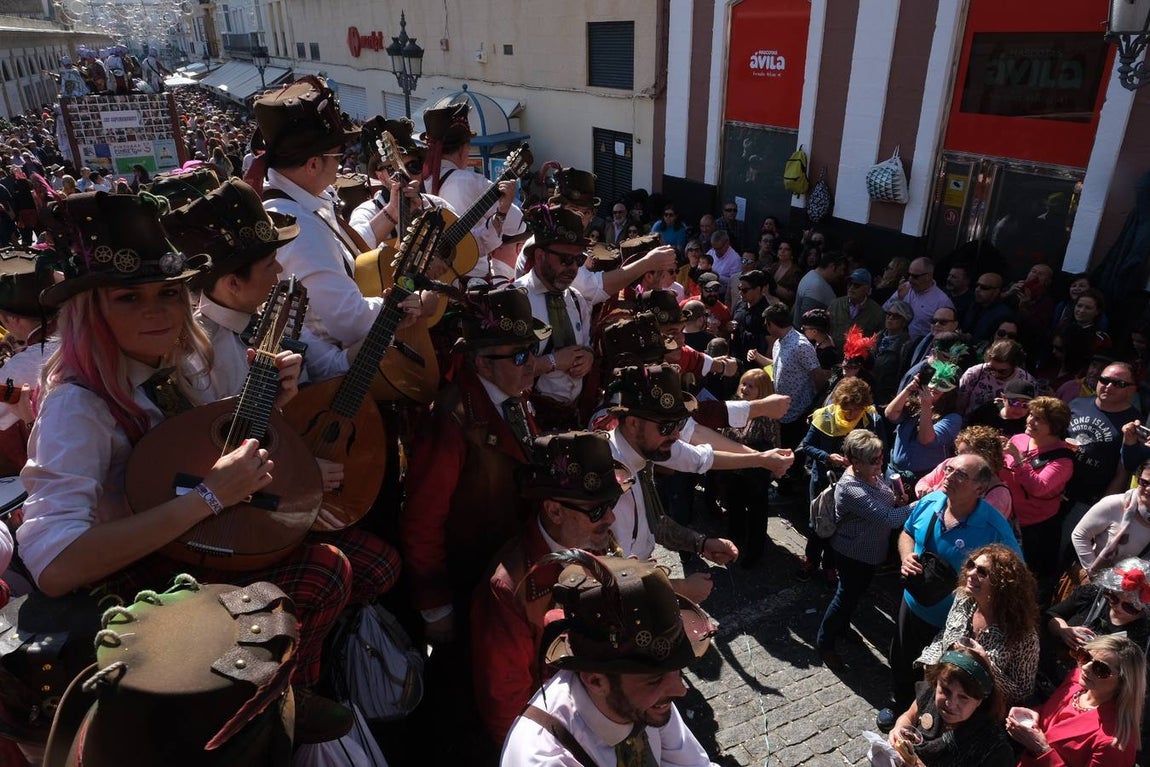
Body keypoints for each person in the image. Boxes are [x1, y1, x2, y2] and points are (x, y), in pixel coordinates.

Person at [17, 192, 387, 743]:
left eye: (169, 293)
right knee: (327, 571)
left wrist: (270, 411)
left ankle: (283, 679)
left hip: (202, 537)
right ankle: (275, 706)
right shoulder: (79, 404)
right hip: (138, 577)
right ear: (92, 309)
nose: (157, 311)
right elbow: (54, 563)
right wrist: (208, 499)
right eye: (128, 297)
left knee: (368, 560)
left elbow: (191, 457)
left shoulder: (179, 362)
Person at [402, 286, 551, 646]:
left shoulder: (512, 393)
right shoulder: (451, 421)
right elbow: (421, 521)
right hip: (472, 581)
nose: (531, 363)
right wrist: (436, 607)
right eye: (518, 356)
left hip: (510, 570)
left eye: (532, 350)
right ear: (482, 362)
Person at [471, 430, 629, 745]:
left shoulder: (591, 539)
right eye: (597, 509)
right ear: (554, 510)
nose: (611, 517)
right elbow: (509, 711)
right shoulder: (509, 590)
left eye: (612, 502)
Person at [501, 553, 718, 766]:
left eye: (677, 671)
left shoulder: (643, 700)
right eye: (654, 679)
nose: (680, 690)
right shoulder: (541, 758)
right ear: (596, 681)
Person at [604, 363, 794, 602]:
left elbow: (654, 522)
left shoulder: (651, 444)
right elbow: (596, 582)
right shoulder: (603, 476)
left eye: (678, 426)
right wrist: (676, 587)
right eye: (666, 426)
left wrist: (700, 543)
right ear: (632, 423)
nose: (675, 436)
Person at [878, 453, 1022, 729]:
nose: (949, 477)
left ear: (980, 489)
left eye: (961, 475)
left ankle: (927, 718)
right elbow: (907, 533)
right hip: (912, 604)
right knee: (902, 659)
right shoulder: (931, 501)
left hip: (951, 622)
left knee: (937, 674)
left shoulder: (995, 529)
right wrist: (906, 555)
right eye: (949, 469)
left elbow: (1014, 578)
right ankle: (899, 703)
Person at [817, 430, 913, 672]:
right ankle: (825, 643)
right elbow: (889, 518)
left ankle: (842, 625)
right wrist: (921, 503)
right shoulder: (852, 488)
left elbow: (888, 503)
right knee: (845, 596)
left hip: (870, 552)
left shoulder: (871, 474)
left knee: (855, 593)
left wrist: (899, 499)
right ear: (855, 462)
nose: (880, 463)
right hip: (853, 553)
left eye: (881, 457)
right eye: (874, 460)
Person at [916, 544, 1040, 706]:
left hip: (977, 710)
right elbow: (945, 634)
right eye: (971, 565)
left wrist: (986, 665)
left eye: (982, 572)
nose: (971, 573)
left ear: (1001, 584)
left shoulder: (1022, 634)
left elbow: (1022, 693)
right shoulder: (963, 599)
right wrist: (929, 664)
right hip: (941, 688)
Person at [513, 205, 595, 431]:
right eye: (565, 260)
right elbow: (507, 371)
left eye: (578, 260)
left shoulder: (577, 300)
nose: (574, 268)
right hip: (532, 421)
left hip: (571, 418)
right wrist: (552, 362)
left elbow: (587, 345)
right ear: (540, 256)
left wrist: (588, 357)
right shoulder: (515, 300)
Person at [1006, 635, 1144, 767]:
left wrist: (1042, 750)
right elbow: (1053, 717)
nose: (1085, 667)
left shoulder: (1114, 743)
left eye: (1100, 669)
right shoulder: (1077, 680)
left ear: (1124, 683)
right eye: (1085, 656)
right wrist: (1033, 714)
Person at [422, 102, 520, 282]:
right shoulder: (471, 181)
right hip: (470, 281)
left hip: (429, 280)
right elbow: (517, 223)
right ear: (463, 149)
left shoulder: (421, 183)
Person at [800, 377, 884, 583]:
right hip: (823, 480)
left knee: (839, 525)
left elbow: (879, 451)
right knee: (818, 521)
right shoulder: (824, 416)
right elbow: (807, 445)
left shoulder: (870, 420)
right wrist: (826, 456)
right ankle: (811, 559)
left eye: (855, 410)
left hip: (852, 483)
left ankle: (830, 565)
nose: (850, 414)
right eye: (846, 409)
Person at [883, 648, 1014, 767]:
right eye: (945, 690)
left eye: (963, 697)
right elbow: (909, 715)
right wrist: (899, 728)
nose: (950, 704)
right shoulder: (930, 693)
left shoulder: (993, 749)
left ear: (979, 700)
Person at [1041, 558, 1150, 698]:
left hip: (1089, 697)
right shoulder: (1094, 594)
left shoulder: (1144, 636)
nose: (1117, 607)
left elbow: (1135, 688)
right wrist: (1064, 630)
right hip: (1049, 675)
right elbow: (1050, 615)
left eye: (1129, 607)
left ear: (1144, 610)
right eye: (1113, 598)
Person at [1001, 396, 1074, 599]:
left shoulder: (1063, 460)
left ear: (1055, 426)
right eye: (1031, 415)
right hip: (1005, 519)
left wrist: (1018, 458)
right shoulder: (1018, 439)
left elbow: (1039, 488)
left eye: (1039, 419)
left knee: (1026, 582)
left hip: (1035, 531)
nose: (1030, 421)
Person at [716, 368, 780, 568]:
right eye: (743, 383)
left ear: (762, 391)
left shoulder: (768, 416)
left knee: (756, 513)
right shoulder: (732, 406)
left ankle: (754, 551)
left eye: (751, 386)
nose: (744, 388)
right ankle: (734, 540)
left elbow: (774, 444)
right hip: (731, 469)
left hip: (755, 473)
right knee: (733, 505)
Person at [1064, 362, 1140, 508]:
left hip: (1088, 502)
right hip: (1053, 489)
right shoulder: (1076, 404)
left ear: (1132, 390)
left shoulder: (1134, 423)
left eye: (1119, 384)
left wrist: (1102, 509)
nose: (1109, 386)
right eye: (1104, 380)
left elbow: (1123, 471)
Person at [885, 360, 963, 483]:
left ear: (950, 393)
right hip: (894, 473)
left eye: (941, 385)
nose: (934, 387)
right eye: (933, 381)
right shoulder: (914, 404)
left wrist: (926, 406)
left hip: (922, 479)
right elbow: (890, 414)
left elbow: (926, 439)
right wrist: (908, 389)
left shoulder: (953, 418)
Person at [916, 425, 1013, 522]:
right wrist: (924, 489)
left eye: (966, 455)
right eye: (958, 453)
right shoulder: (950, 463)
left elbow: (978, 529)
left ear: (986, 458)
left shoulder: (998, 495)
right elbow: (925, 481)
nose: (959, 459)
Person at [1070, 460, 1150, 575]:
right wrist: (1093, 572)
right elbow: (1080, 535)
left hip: (1129, 587)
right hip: (1093, 579)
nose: (1148, 489)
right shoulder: (1115, 503)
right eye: (1144, 482)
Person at [957, 340, 1035, 418]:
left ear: (1014, 366)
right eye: (991, 368)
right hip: (973, 422)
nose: (995, 374)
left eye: (1002, 371)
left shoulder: (1027, 380)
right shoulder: (974, 374)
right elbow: (960, 404)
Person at [884, 257, 954, 341]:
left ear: (928, 276)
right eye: (909, 275)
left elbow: (946, 333)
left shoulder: (942, 301)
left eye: (915, 276)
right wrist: (899, 298)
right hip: (894, 343)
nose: (910, 279)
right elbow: (885, 311)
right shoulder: (906, 287)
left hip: (918, 348)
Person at [828, 268, 884, 346]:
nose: (851, 288)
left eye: (856, 285)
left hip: (859, 356)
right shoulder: (835, 304)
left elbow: (878, 339)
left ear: (867, 289)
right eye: (850, 284)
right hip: (834, 354)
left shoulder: (877, 312)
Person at [873, 300, 914, 405]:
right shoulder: (877, 337)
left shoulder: (907, 346)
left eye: (896, 316)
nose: (890, 318)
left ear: (904, 322)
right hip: (869, 390)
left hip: (886, 396)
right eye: (889, 314)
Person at [793, 250, 847, 325]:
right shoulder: (816, 285)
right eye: (841, 269)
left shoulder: (811, 276)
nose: (842, 273)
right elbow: (807, 322)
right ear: (832, 267)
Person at [966, 378, 1033, 436]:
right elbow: (966, 431)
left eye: (1025, 404)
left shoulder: (1029, 422)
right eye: (1014, 402)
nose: (1019, 408)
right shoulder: (988, 410)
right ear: (1003, 398)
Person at [961, 272, 1012, 343]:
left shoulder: (1003, 315)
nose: (977, 290)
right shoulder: (973, 305)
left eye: (984, 287)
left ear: (996, 292)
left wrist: (971, 339)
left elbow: (996, 342)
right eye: (977, 285)